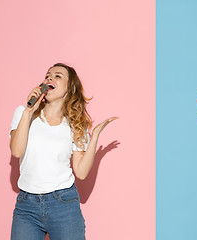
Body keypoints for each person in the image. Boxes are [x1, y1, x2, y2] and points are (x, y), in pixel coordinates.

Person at [10, 63, 117, 240]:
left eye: (58, 76)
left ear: (70, 88)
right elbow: (16, 150)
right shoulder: (23, 113)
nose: (49, 78)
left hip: (63, 204)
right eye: (47, 75)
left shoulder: (75, 125)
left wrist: (95, 136)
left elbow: (81, 172)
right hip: (26, 207)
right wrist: (29, 112)